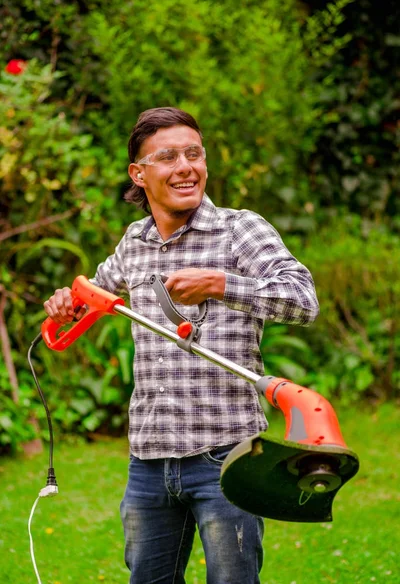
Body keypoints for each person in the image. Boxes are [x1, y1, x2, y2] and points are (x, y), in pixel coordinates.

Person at [44, 107, 319, 584]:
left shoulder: (240, 230)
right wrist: (67, 303)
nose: (186, 167)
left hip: (227, 457)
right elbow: (92, 294)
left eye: (194, 154)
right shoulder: (135, 241)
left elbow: (303, 300)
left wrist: (222, 284)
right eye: (168, 157)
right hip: (149, 458)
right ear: (139, 174)